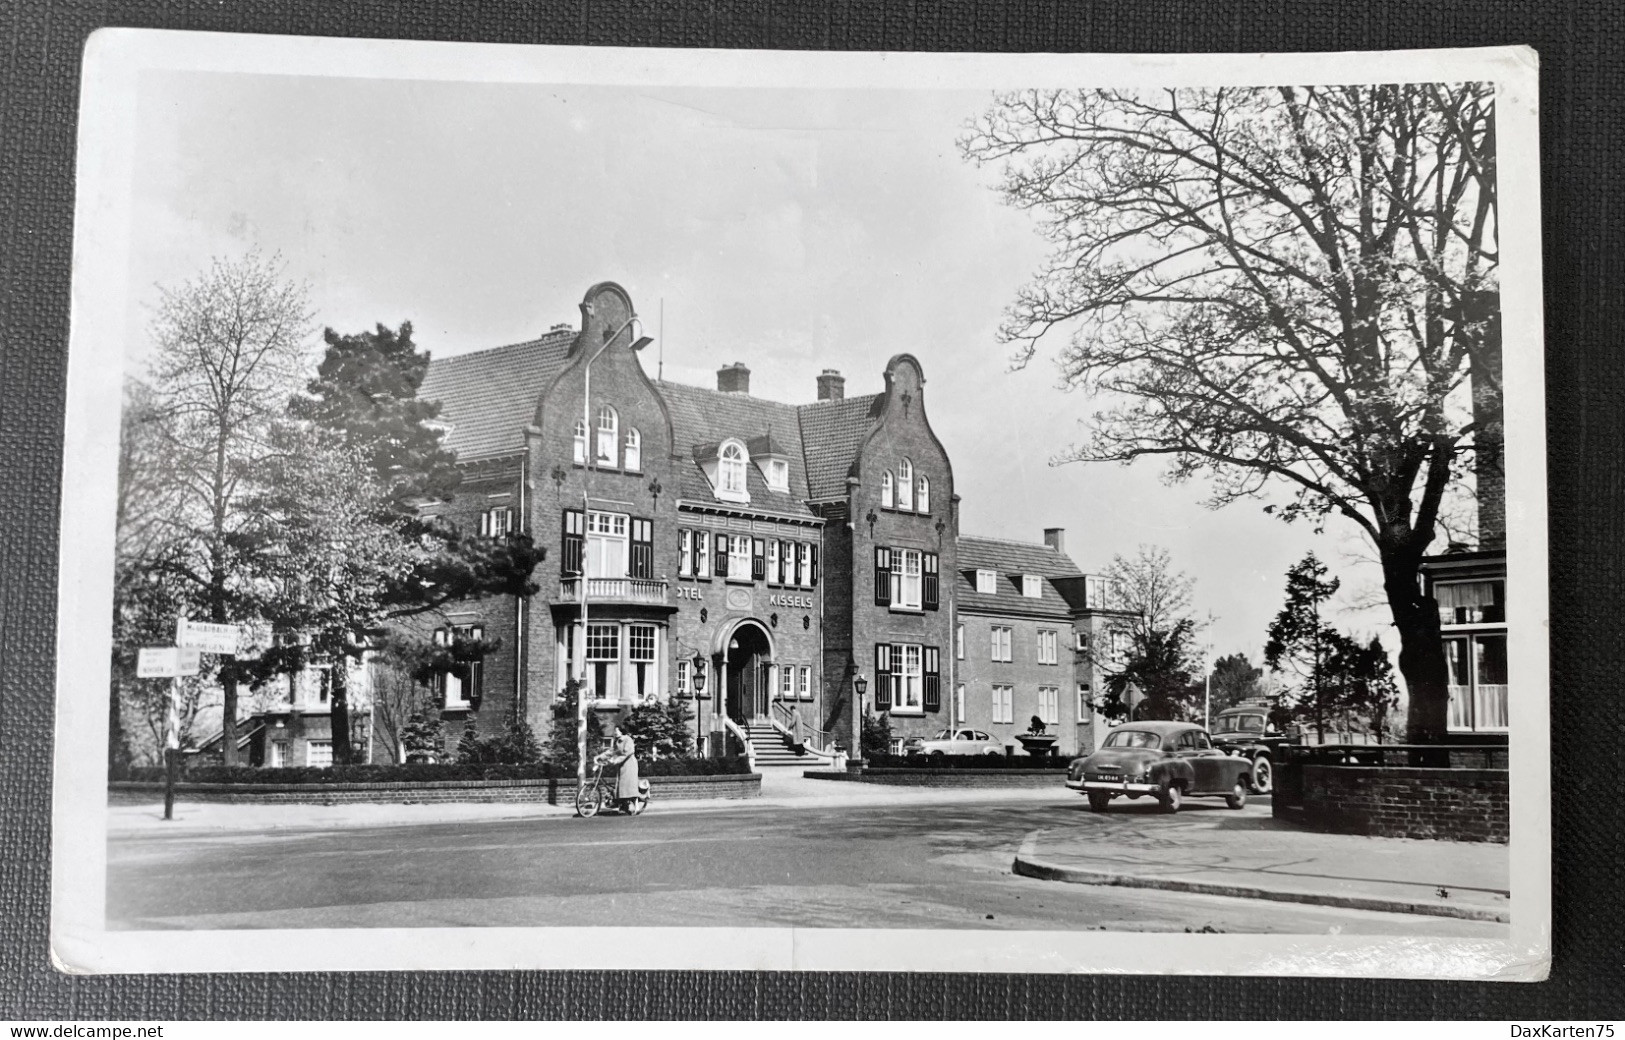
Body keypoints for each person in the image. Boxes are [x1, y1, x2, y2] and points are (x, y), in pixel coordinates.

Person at [604, 728, 639, 802]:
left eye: (616, 731)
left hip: (629, 764)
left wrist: (615, 760)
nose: (615, 733)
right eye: (614, 731)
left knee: (628, 785)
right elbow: (612, 751)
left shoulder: (628, 739)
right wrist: (601, 757)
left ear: (621, 731)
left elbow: (626, 753)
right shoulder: (617, 741)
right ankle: (622, 803)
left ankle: (635, 801)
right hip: (621, 764)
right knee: (621, 786)